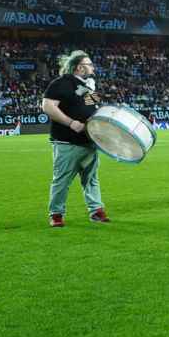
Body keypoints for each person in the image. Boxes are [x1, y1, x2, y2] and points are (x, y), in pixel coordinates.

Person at [41, 50, 107, 227]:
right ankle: (56, 214)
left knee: (91, 179)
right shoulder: (61, 83)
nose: (93, 67)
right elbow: (47, 106)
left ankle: (96, 211)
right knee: (62, 179)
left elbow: (93, 108)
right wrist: (70, 122)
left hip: (89, 141)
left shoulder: (88, 86)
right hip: (67, 141)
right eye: (89, 64)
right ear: (79, 67)